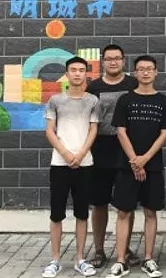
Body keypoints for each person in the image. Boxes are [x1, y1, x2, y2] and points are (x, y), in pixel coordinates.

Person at [106, 55, 166, 278]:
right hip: (127, 166)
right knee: (123, 212)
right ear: (135, 73)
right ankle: (120, 260)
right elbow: (121, 131)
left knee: (150, 212)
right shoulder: (125, 100)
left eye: (149, 69)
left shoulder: (163, 101)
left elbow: (164, 134)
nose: (145, 72)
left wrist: (145, 159)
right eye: (141, 69)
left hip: (152, 166)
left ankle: (148, 258)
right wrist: (135, 160)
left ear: (156, 72)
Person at [43, 56, 99, 278]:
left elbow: (93, 130)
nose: (77, 73)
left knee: (82, 213)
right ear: (67, 74)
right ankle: (55, 260)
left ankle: (80, 259)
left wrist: (81, 153)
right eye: (73, 70)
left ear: (86, 74)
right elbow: (50, 131)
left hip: (85, 164)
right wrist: (65, 153)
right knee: (56, 214)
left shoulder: (92, 101)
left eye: (81, 70)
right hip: (60, 163)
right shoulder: (55, 100)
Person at [87, 44, 140, 269]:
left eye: (117, 58)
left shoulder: (133, 84)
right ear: (103, 61)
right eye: (109, 59)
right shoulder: (94, 87)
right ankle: (99, 250)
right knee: (99, 203)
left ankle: (124, 248)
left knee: (125, 205)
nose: (113, 62)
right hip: (100, 151)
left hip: (127, 151)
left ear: (123, 60)